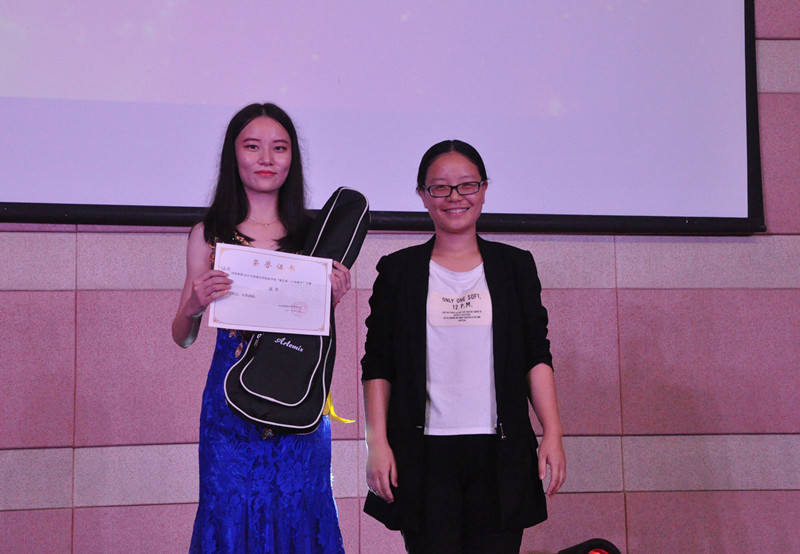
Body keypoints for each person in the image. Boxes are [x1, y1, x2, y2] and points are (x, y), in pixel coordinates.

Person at [361, 139, 566, 553]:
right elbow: (378, 364)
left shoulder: (514, 267)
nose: (455, 197)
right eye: (440, 187)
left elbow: (535, 355)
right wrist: (376, 443)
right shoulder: (399, 271)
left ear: (484, 189)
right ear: (423, 195)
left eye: (467, 185)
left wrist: (553, 431)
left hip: (499, 452)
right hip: (423, 454)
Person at [172, 103, 349, 553]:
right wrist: (195, 303)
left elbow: (317, 335)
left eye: (279, 148)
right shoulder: (209, 233)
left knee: (301, 507)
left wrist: (331, 297)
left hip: (298, 398)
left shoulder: (315, 235)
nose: (266, 158)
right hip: (229, 407)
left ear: (293, 158)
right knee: (229, 511)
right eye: (252, 146)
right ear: (234, 155)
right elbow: (183, 335)